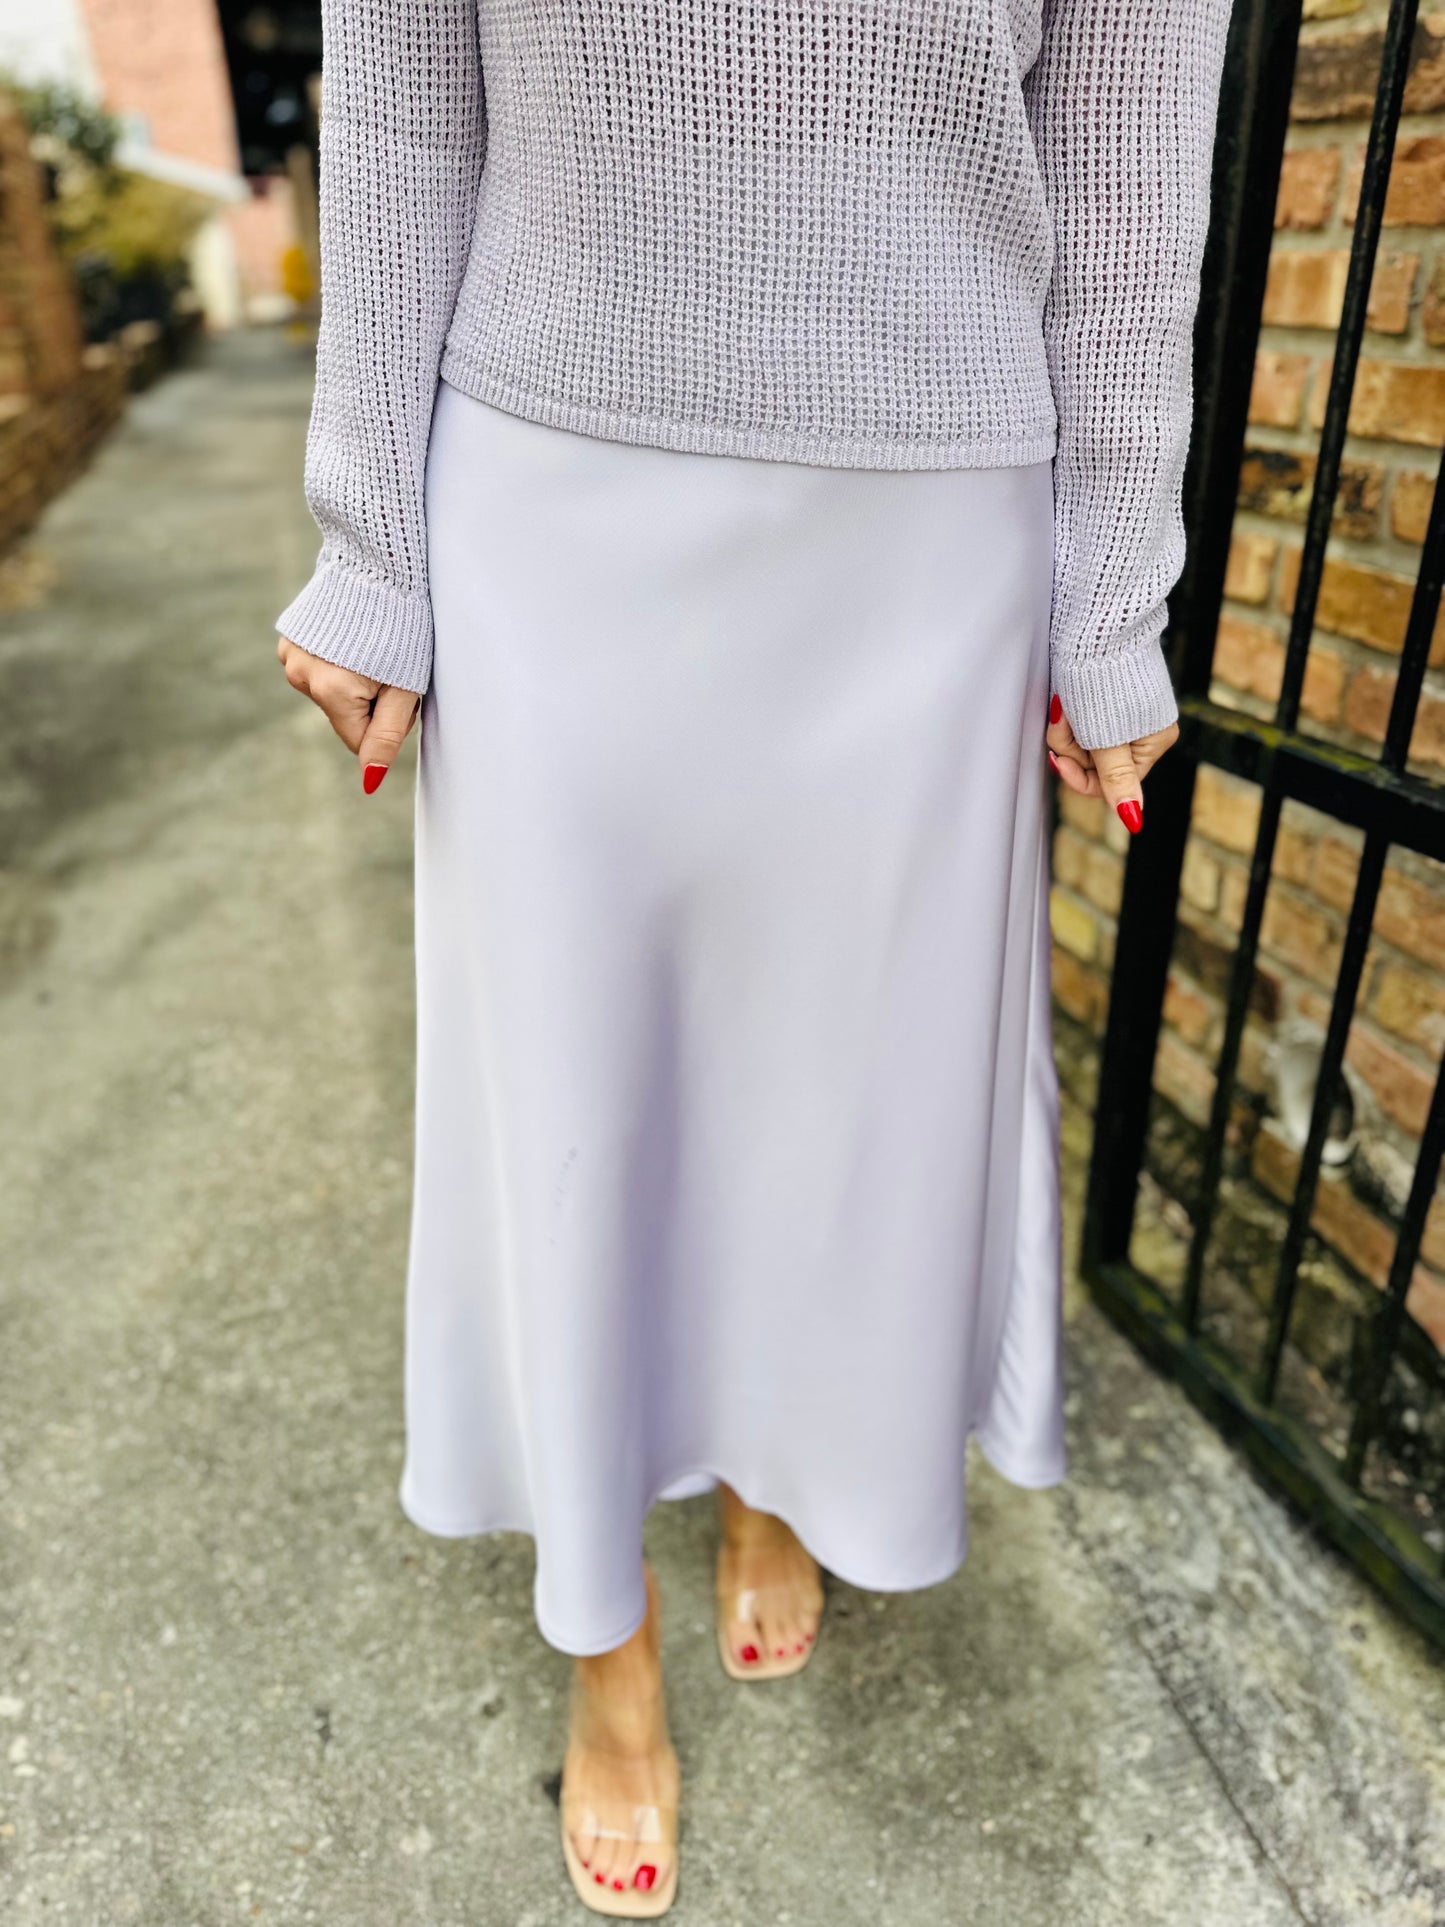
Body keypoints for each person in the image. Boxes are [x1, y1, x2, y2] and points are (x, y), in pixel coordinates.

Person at [274, 1, 1232, 1913]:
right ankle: (604, 1642)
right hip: (547, 478)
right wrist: (367, 537)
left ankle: (767, 1472)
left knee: (828, 1090)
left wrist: (1113, 586)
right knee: (573, 1089)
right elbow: (400, 91)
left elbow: (1130, 165)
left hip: (930, 520)